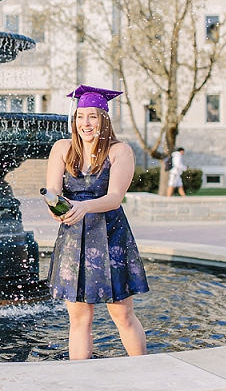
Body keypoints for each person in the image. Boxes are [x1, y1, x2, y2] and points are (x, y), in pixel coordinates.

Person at [46, 84, 149, 360]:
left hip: (110, 235)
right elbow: (52, 191)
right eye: (80, 116)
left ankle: (145, 373)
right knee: (79, 318)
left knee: (122, 313)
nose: (85, 123)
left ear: (104, 119)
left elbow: (115, 197)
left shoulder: (120, 151)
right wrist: (55, 209)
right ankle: (81, 381)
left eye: (92, 116)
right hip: (72, 236)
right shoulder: (62, 149)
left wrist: (84, 206)